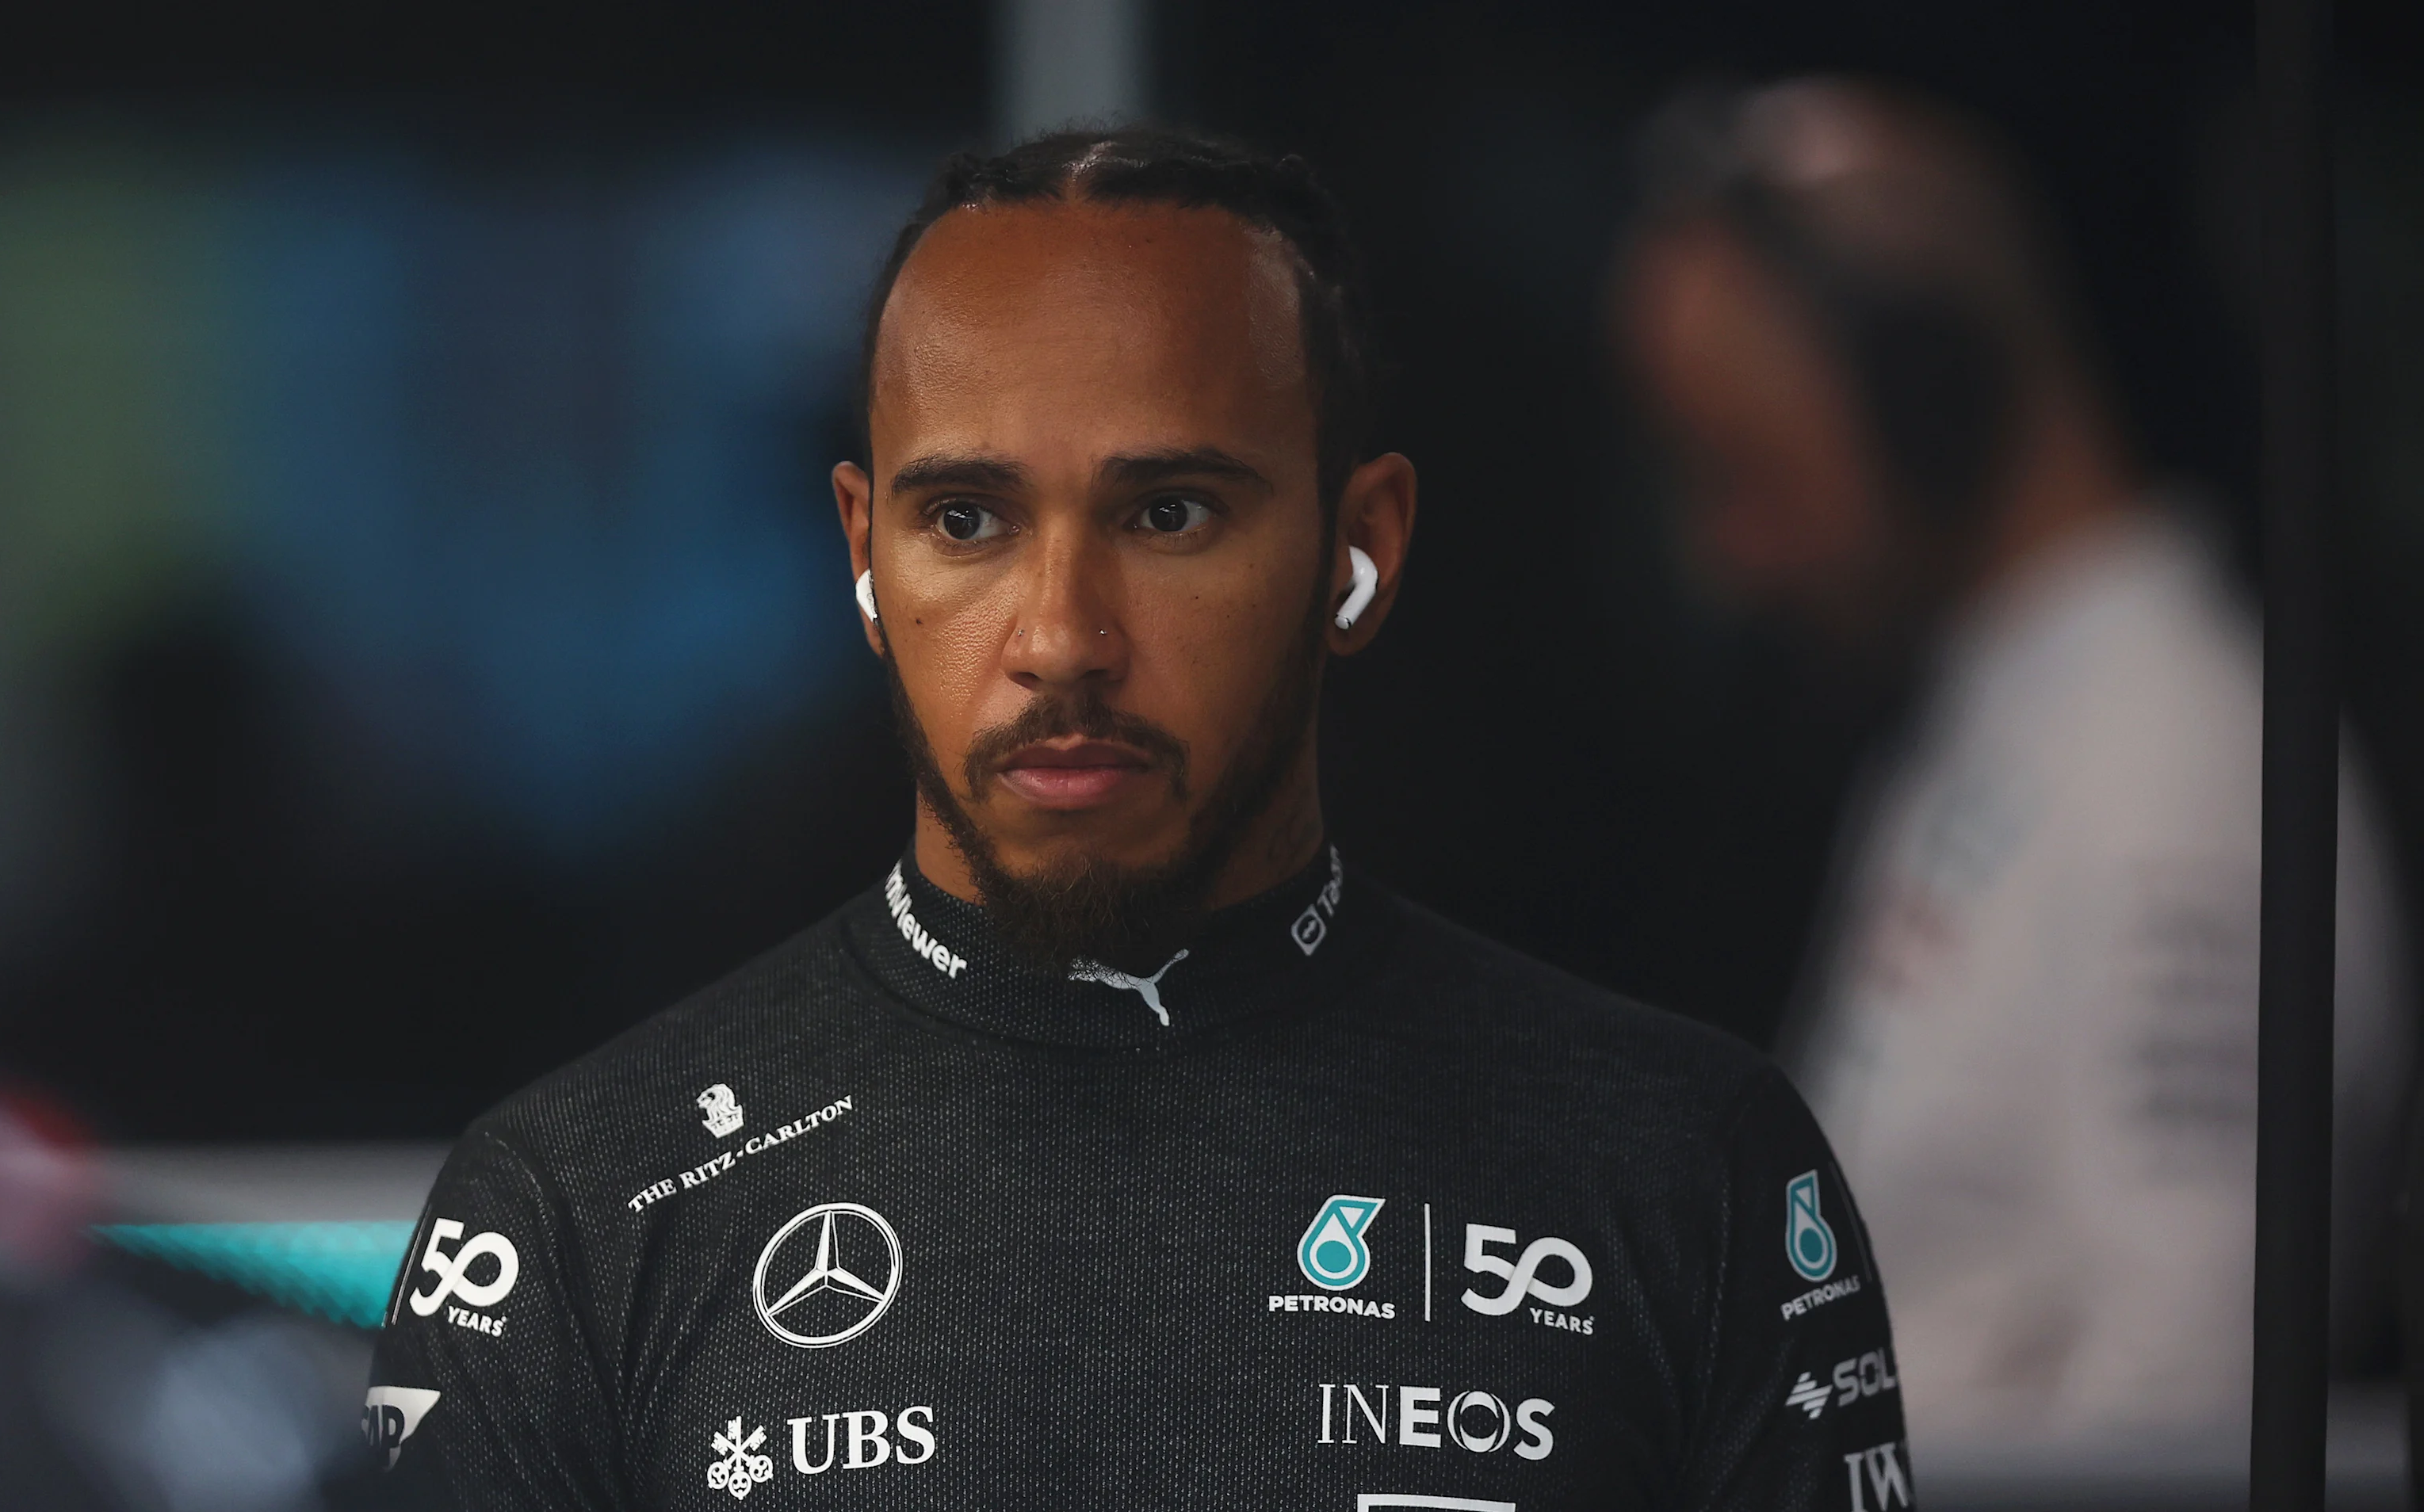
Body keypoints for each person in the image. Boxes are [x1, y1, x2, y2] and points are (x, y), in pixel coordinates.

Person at [365, 127, 1908, 1510]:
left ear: (1356, 549)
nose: (1061, 635)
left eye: (1168, 514)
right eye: (965, 520)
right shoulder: (581, 1209)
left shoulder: (1680, 1169)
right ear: (863, 556)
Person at [1615, 79, 2410, 1447]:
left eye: (1749, 471)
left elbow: (2195, 1408)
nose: (1733, 553)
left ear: (1930, 388)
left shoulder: (2179, 769)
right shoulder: (1988, 720)